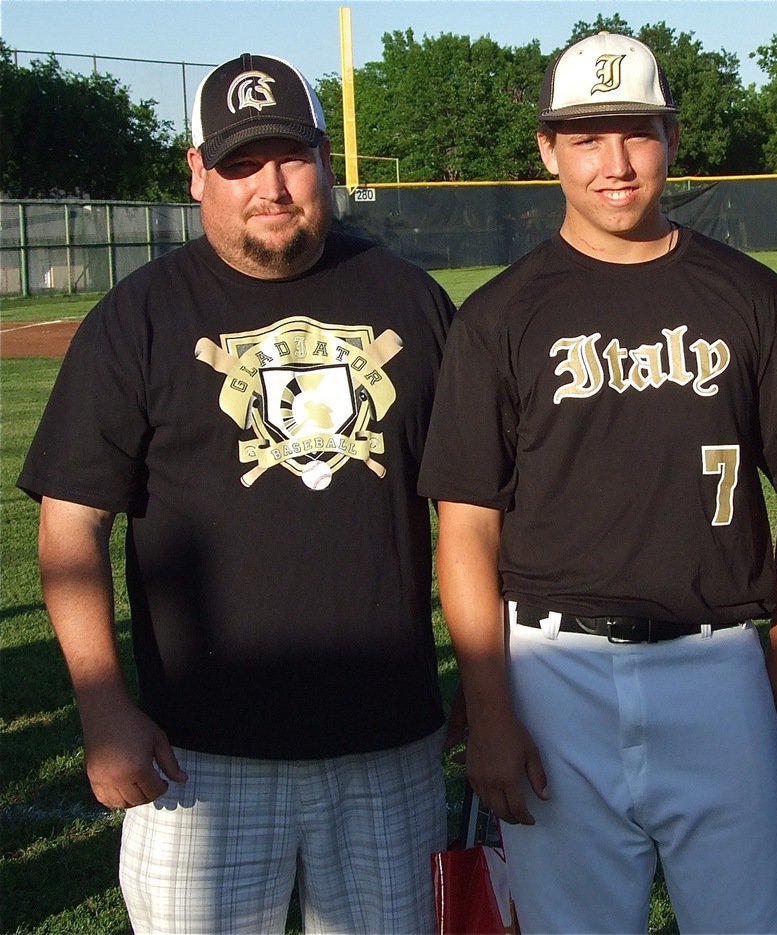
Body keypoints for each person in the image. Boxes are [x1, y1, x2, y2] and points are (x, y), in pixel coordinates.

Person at [417, 31, 777, 934]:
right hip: (551, 669)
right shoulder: (500, 315)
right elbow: (465, 527)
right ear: (547, 149)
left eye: (636, 133)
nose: (614, 163)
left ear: (673, 137)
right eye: (586, 136)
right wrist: (489, 703)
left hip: (718, 656)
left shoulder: (750, 296)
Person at [19, 53, 455, 933]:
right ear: (197, 172)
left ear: (325, 160)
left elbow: (478, 515)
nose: (272, 186)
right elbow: (72, 525)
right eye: (241, 163)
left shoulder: (411, 303)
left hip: (388, 745)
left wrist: (486, 692)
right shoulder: (138, 317)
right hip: (197, 759)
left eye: (290, 156)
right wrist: (103, 704)